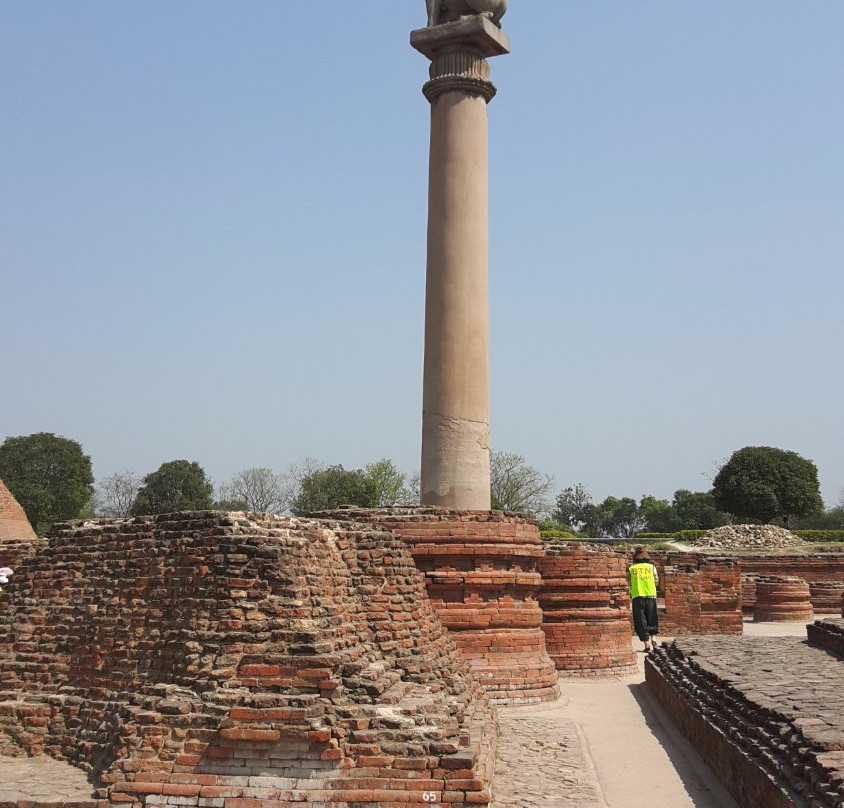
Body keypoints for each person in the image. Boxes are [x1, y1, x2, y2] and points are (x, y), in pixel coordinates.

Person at [629, 547, 659, 652]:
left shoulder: (632, 569)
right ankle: (654, 639)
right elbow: (656, 581)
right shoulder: (651, 567)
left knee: (641, 621)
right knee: (652, 618)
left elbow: (629, 583)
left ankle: (646, 645)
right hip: (651, 595)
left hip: (637, 597)